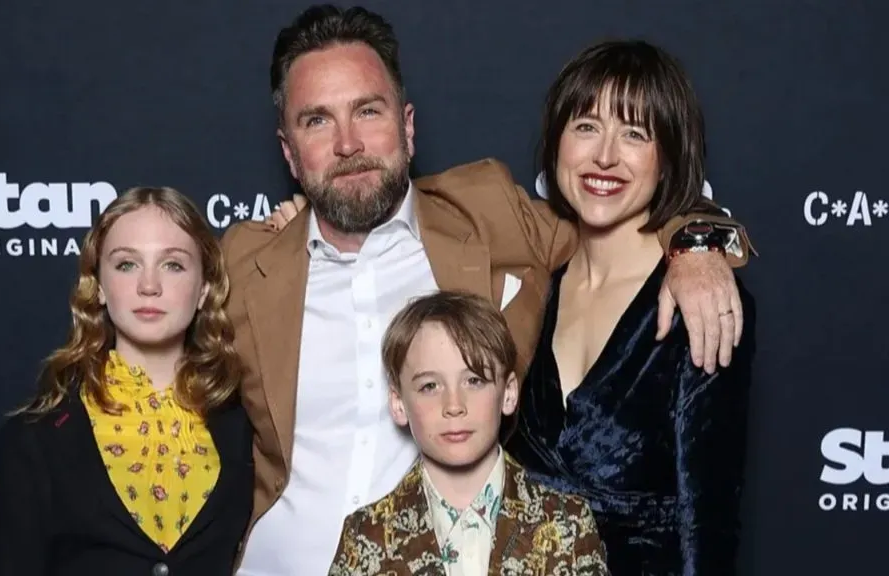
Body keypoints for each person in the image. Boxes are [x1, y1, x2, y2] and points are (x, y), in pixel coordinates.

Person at [225, 5, 755, 574]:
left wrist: (696, 243)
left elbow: (614, 206)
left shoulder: (488, 213)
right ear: (288, 150)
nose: (348, 142)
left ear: (407, 125)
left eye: (367, 111)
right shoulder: (246, 260)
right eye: (317, 121)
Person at [503, 41, 756, 575]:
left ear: (668, 160)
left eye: (635, 134)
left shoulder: (703, 303)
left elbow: (706, 525)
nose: (605, 156)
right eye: (586, 126)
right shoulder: (529, 284)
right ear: (556, 145)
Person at [0, 187, 253, 576]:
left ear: (204, 289)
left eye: (173, 265)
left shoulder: (243, 425)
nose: (150, 285)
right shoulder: (36, 438)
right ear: (96, 284)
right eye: (127, 264)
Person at [327, 290, 610, 575]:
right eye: (430, 386)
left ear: (508, 393)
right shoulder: (366, 535)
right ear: (399, 403)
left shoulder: (567, 523)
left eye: (474, 380)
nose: (453, 405)